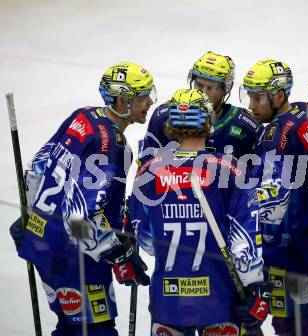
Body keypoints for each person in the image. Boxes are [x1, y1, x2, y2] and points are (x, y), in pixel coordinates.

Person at [9, 62, 154, 336]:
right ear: (122, 100)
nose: (149, 102)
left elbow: (38, 167)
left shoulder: (83, 116)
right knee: (94, 329)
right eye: (142, 96)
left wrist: (32, 216)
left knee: (69, 325)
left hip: (42, 242)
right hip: (74, 258)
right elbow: (79, 218)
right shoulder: (112, 146)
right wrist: (117, 253)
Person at [129, 88, 272, 336]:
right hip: (220, 301)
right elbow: (244, 244)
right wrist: (255, 288)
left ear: (170, 125)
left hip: (167, 302)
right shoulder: (231, 169)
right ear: (208, 121)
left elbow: (146, 241)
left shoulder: (148, 172)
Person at [239, 59, 308, 336]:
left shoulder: (277, 136)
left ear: (278, 95)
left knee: (290, 327)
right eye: (249, 96)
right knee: (305, 326)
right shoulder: (302, 114)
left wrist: (236, 205)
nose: (251, 105)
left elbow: (274, 205)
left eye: (258, 97)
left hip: (288, 252)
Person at [140, 51, 261, 160]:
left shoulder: (247, 126)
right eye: (199, 84)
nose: (203, 92)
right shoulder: (164, 116)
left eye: (212, 87)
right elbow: (145, 169)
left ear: (226, 90)